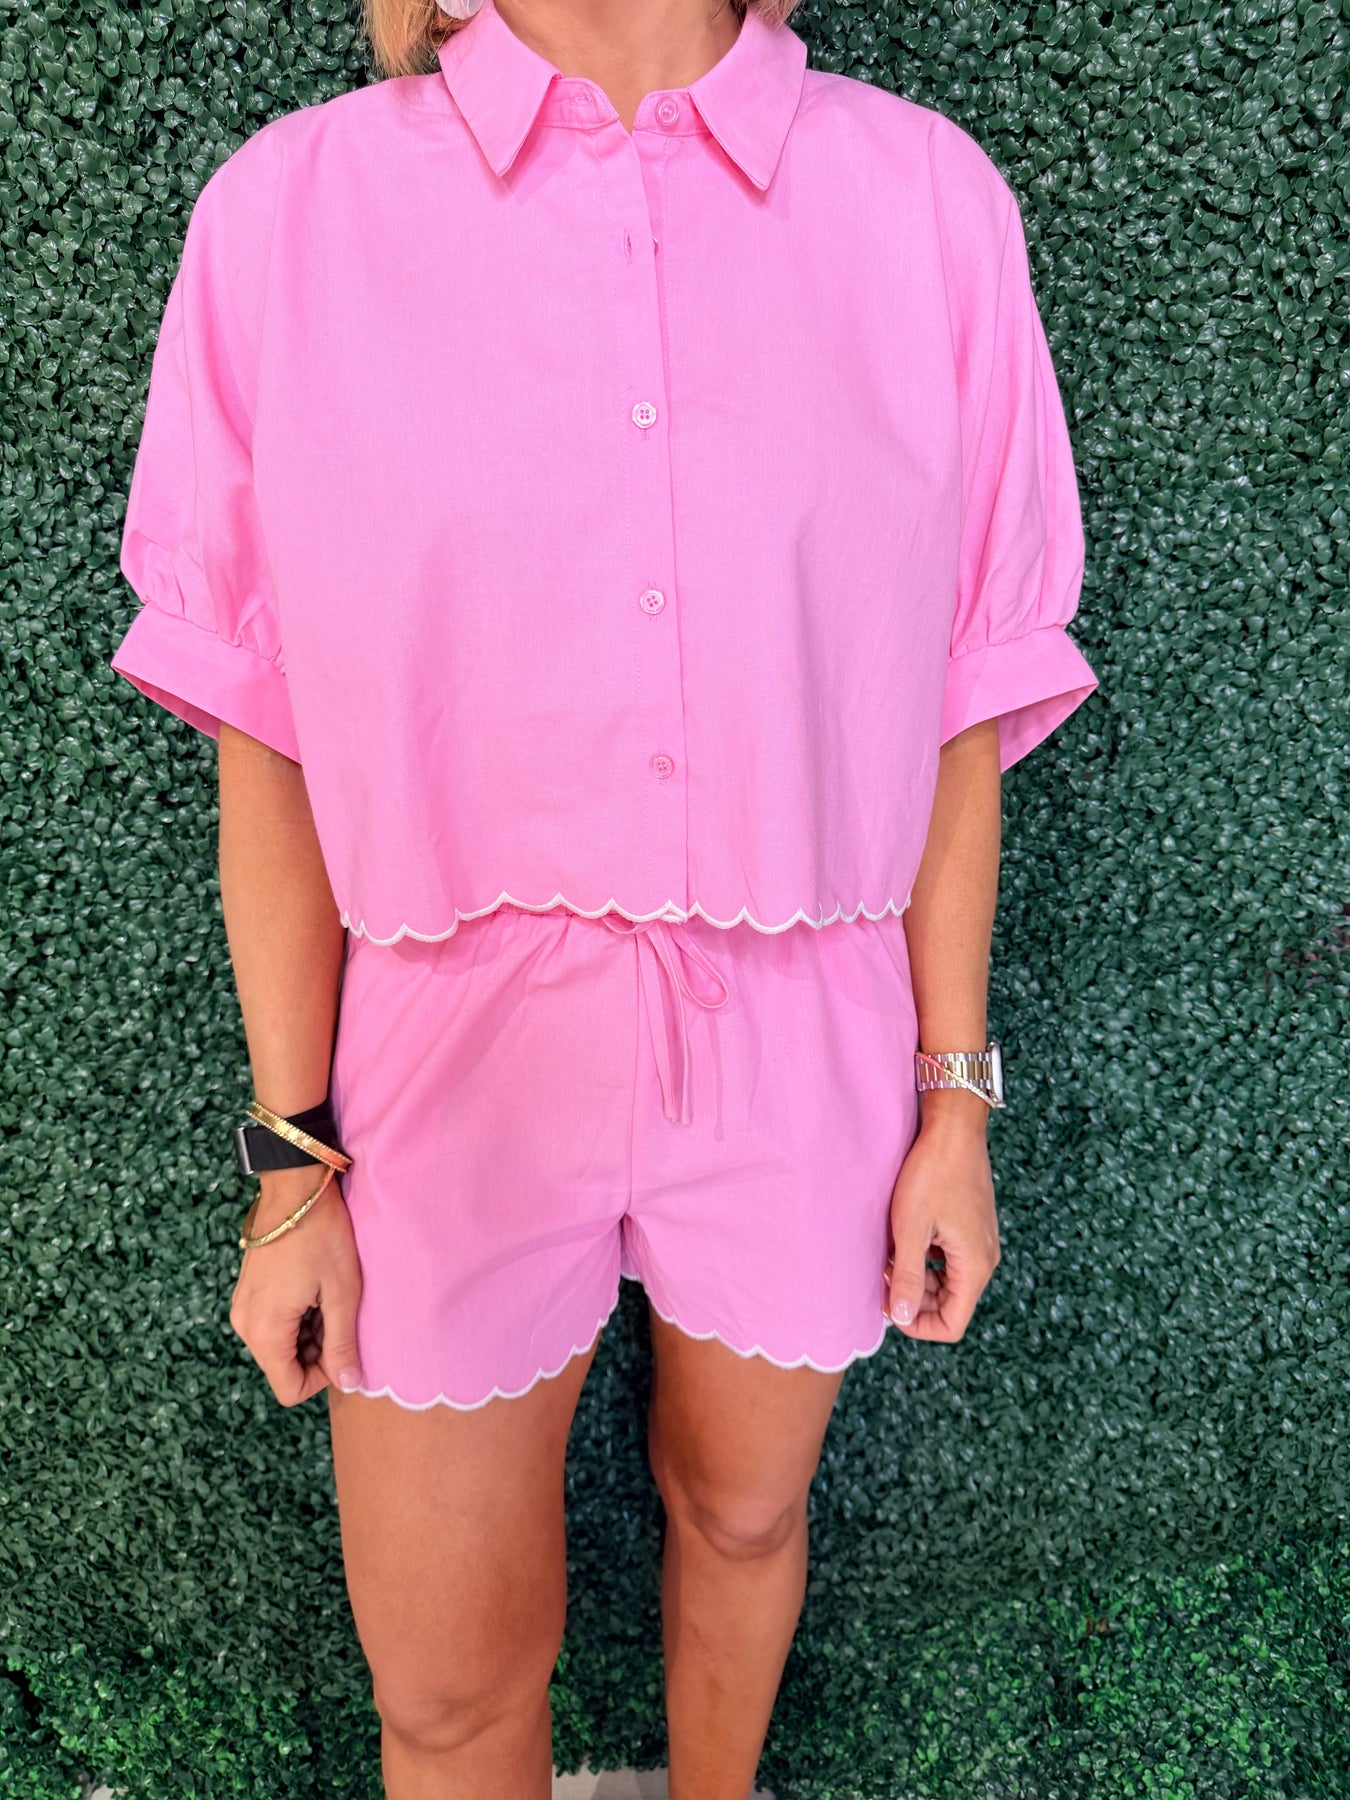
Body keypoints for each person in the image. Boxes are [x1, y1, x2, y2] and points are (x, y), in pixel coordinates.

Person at [108, 0, 1100, 1792]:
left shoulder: (926, 205)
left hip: (806, 1023)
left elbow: (959, 696)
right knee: (444, 1690)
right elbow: (266, 728)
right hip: (445, 1052)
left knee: (741, 1515)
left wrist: (952, 1103)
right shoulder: (289, 217)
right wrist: (289, 1165)